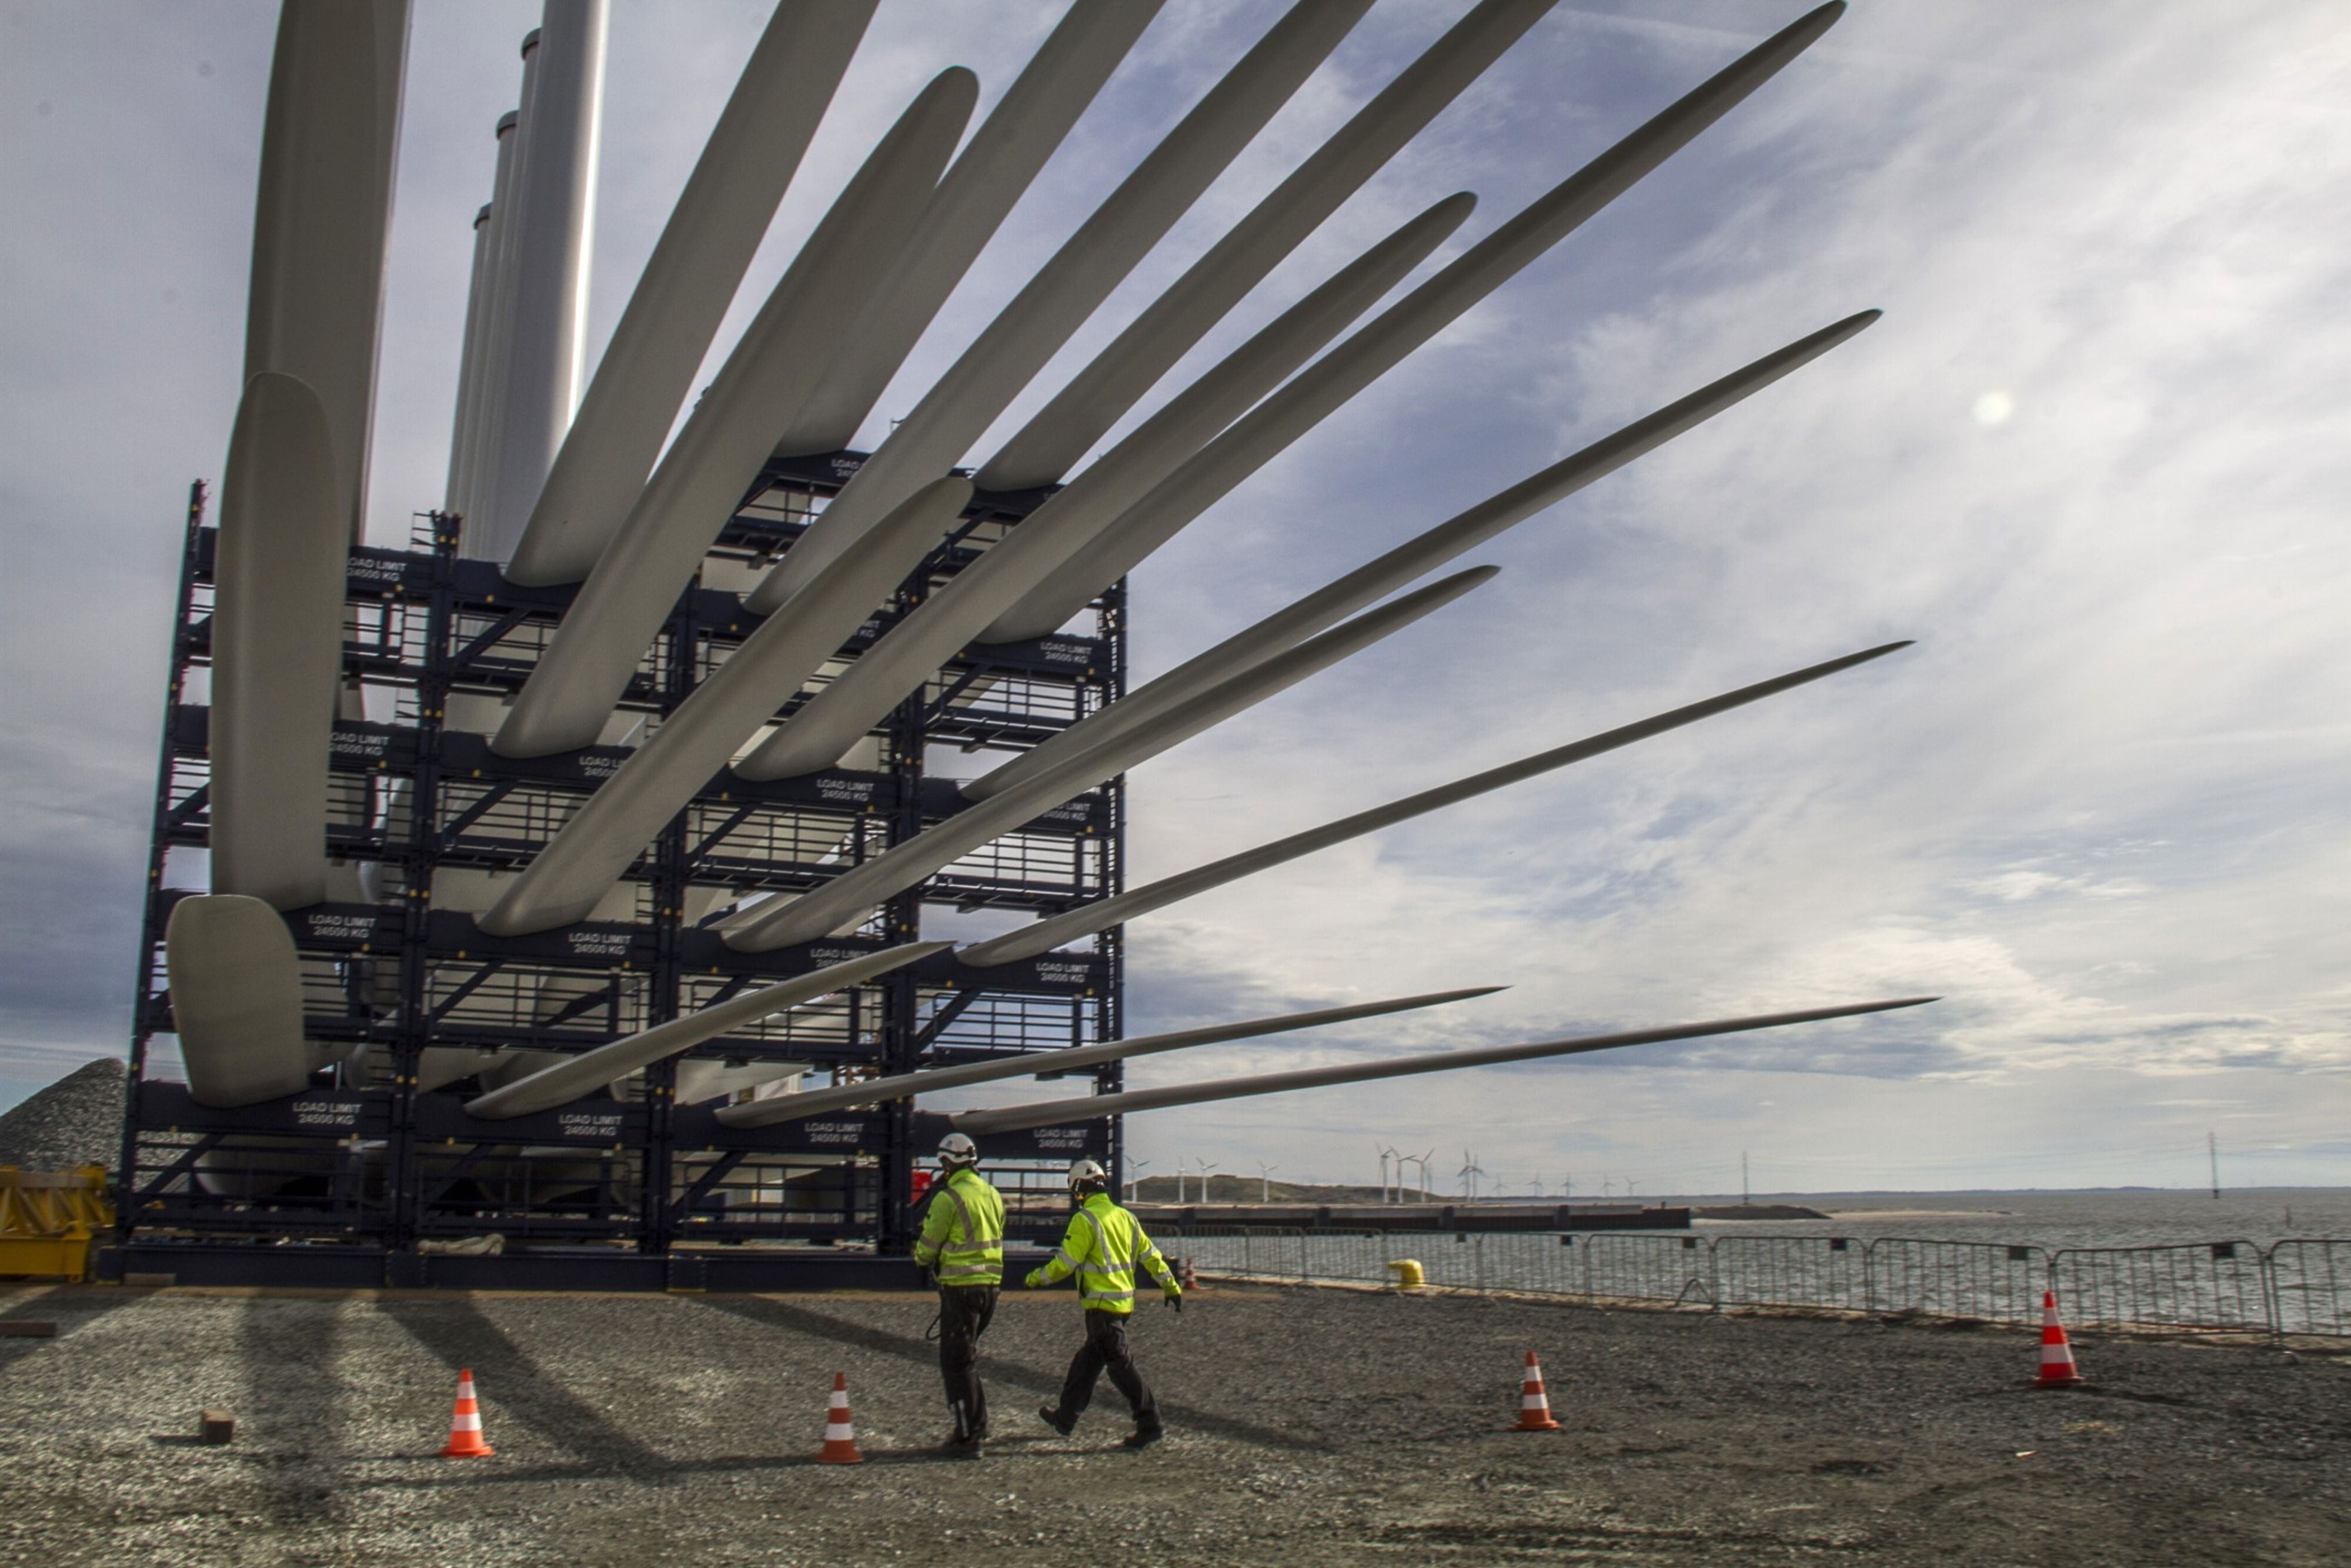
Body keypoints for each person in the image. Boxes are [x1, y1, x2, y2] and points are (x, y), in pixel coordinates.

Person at [1024, 1157, 1181, 1449]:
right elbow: (1151, 1256)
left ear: (1080, 1190)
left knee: (1120, 1366)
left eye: (1076, 1193)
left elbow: (1065, 1263)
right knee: (1086, 1363)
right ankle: (1066, 1417)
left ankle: (1150, 1423)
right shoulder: (1126, 1218)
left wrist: (1035, 1279)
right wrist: (1170, 1286)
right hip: (1122, 1305)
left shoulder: (1085, 1220)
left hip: (1101, 1307)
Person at [910, 1131, 1005, 1455]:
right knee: (967, 1358)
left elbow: (929, 1244)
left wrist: (920, 1257)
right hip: (990, 1289)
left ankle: (967, 1438)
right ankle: (978, 1424)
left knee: (956, 1363)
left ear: (947, 1163)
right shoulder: (993, 1195)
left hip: (961, 1289)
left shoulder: (947, 1198)